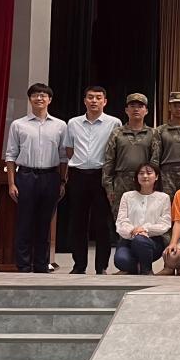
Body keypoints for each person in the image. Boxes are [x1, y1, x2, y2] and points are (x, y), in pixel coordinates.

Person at [4, 83, 69, 273]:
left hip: (50, 177)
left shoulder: (60, 125)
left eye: (43, 95)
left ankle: (41, 265)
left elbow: (63, 157)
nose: (39, 98)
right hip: (25, 176)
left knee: (44, 223)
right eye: (35, 95)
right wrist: (11, 183)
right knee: (24, 223)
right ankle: (23, 266)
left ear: (50, 100)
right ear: (30, 99)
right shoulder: (18, 125)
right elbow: (10, 155)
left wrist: (62, 181)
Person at [64, 85, 120, 274]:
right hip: (78, 175)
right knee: (77, 222)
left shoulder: (114, 123)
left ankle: (101, 266)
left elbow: (116, 150)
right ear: (84, 101)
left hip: (101, 175)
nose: (94, 101)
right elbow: (69, 150)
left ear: (105, 101)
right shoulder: (73, 123)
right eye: (90, 97)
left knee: (102, 223)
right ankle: (79, 265)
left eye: (98, 97)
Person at [103, 93, 161, 223]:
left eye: (140, 106)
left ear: (146, 111)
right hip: (121, 182)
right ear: (126, 110)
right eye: (132, 106)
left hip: (144, 181)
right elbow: (109, 161)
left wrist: (151, 183)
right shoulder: (117, 133)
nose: (136, 109)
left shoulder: (153, 133)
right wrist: (109, 187)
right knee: (121, 219)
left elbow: (155, 161)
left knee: (145, 218)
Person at [113, 163, 171, 275]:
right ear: (136, 177)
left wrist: (144, 229)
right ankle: (136, 267)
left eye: (149, 173)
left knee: (140, 240)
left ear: (156, 177)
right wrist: (133, 230)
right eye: (141, 173)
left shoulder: (164, 198)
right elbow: (121, 221)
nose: (145, 176)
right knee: (121, 260)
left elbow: (165, 223)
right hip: (129, 239)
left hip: (152, 242)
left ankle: (146, 270)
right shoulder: (127, 196)